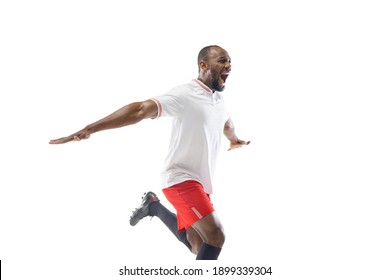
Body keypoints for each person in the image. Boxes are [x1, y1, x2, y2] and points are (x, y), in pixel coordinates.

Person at [49, 45, 250, 260]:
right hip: (180, 179)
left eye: (229, 61)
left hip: (201, 182)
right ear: (203, 65)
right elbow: (140, 109)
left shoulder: (219, 100)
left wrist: (234, 139)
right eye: (221, 60)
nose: (228, 65)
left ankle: (153, 206)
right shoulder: (185, 94)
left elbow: (226, 123)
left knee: (197, 244)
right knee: (216, 236)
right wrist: (89, 129)